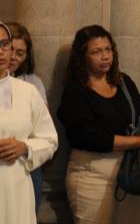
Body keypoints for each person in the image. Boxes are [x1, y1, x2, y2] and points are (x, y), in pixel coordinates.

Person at [58, 25, 140, 224]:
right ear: (82, 57)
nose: (105, 56)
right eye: (96, 52)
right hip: (92, 173)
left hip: (130, 171)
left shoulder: (123, 82)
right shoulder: (75, 91)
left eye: (108, 49)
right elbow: (90, 137)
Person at [0, 21, 58, 224]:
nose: (1, 52)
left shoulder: (28, 91)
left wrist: (25, 147)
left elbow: (50, 139)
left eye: (4, 44)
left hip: (17, 185)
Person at [6, 21, 47, 212]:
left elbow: (44, 132)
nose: (12, 57)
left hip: (24, 163)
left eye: (20, 53)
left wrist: (24, 146)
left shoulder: (31, 85)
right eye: (9, 48)